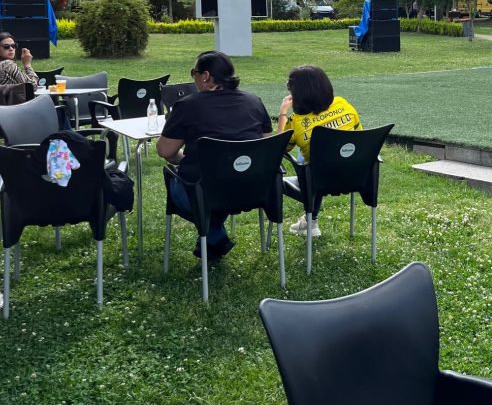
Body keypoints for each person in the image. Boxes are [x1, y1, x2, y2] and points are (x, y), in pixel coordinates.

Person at [155, 51, 273, 261]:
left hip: (204, 191)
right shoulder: (254, 101)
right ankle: (212, 241)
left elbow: (165, 151)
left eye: (194, 73)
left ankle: (216, 237)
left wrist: (183, 159)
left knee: (186, 182)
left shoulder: (187, 106)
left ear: (206, 76)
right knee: (217, 183)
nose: (194, 78)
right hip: (252, 188)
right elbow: (265, 145)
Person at [277, 65, 362, 237]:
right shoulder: (343, 103)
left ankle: (310, 219)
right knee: (317, 154)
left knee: (305, 160)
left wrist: (282, 113)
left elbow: (278, 148)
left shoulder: (297, 122)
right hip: (356, 175)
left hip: (319, 181)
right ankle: (310, 221)